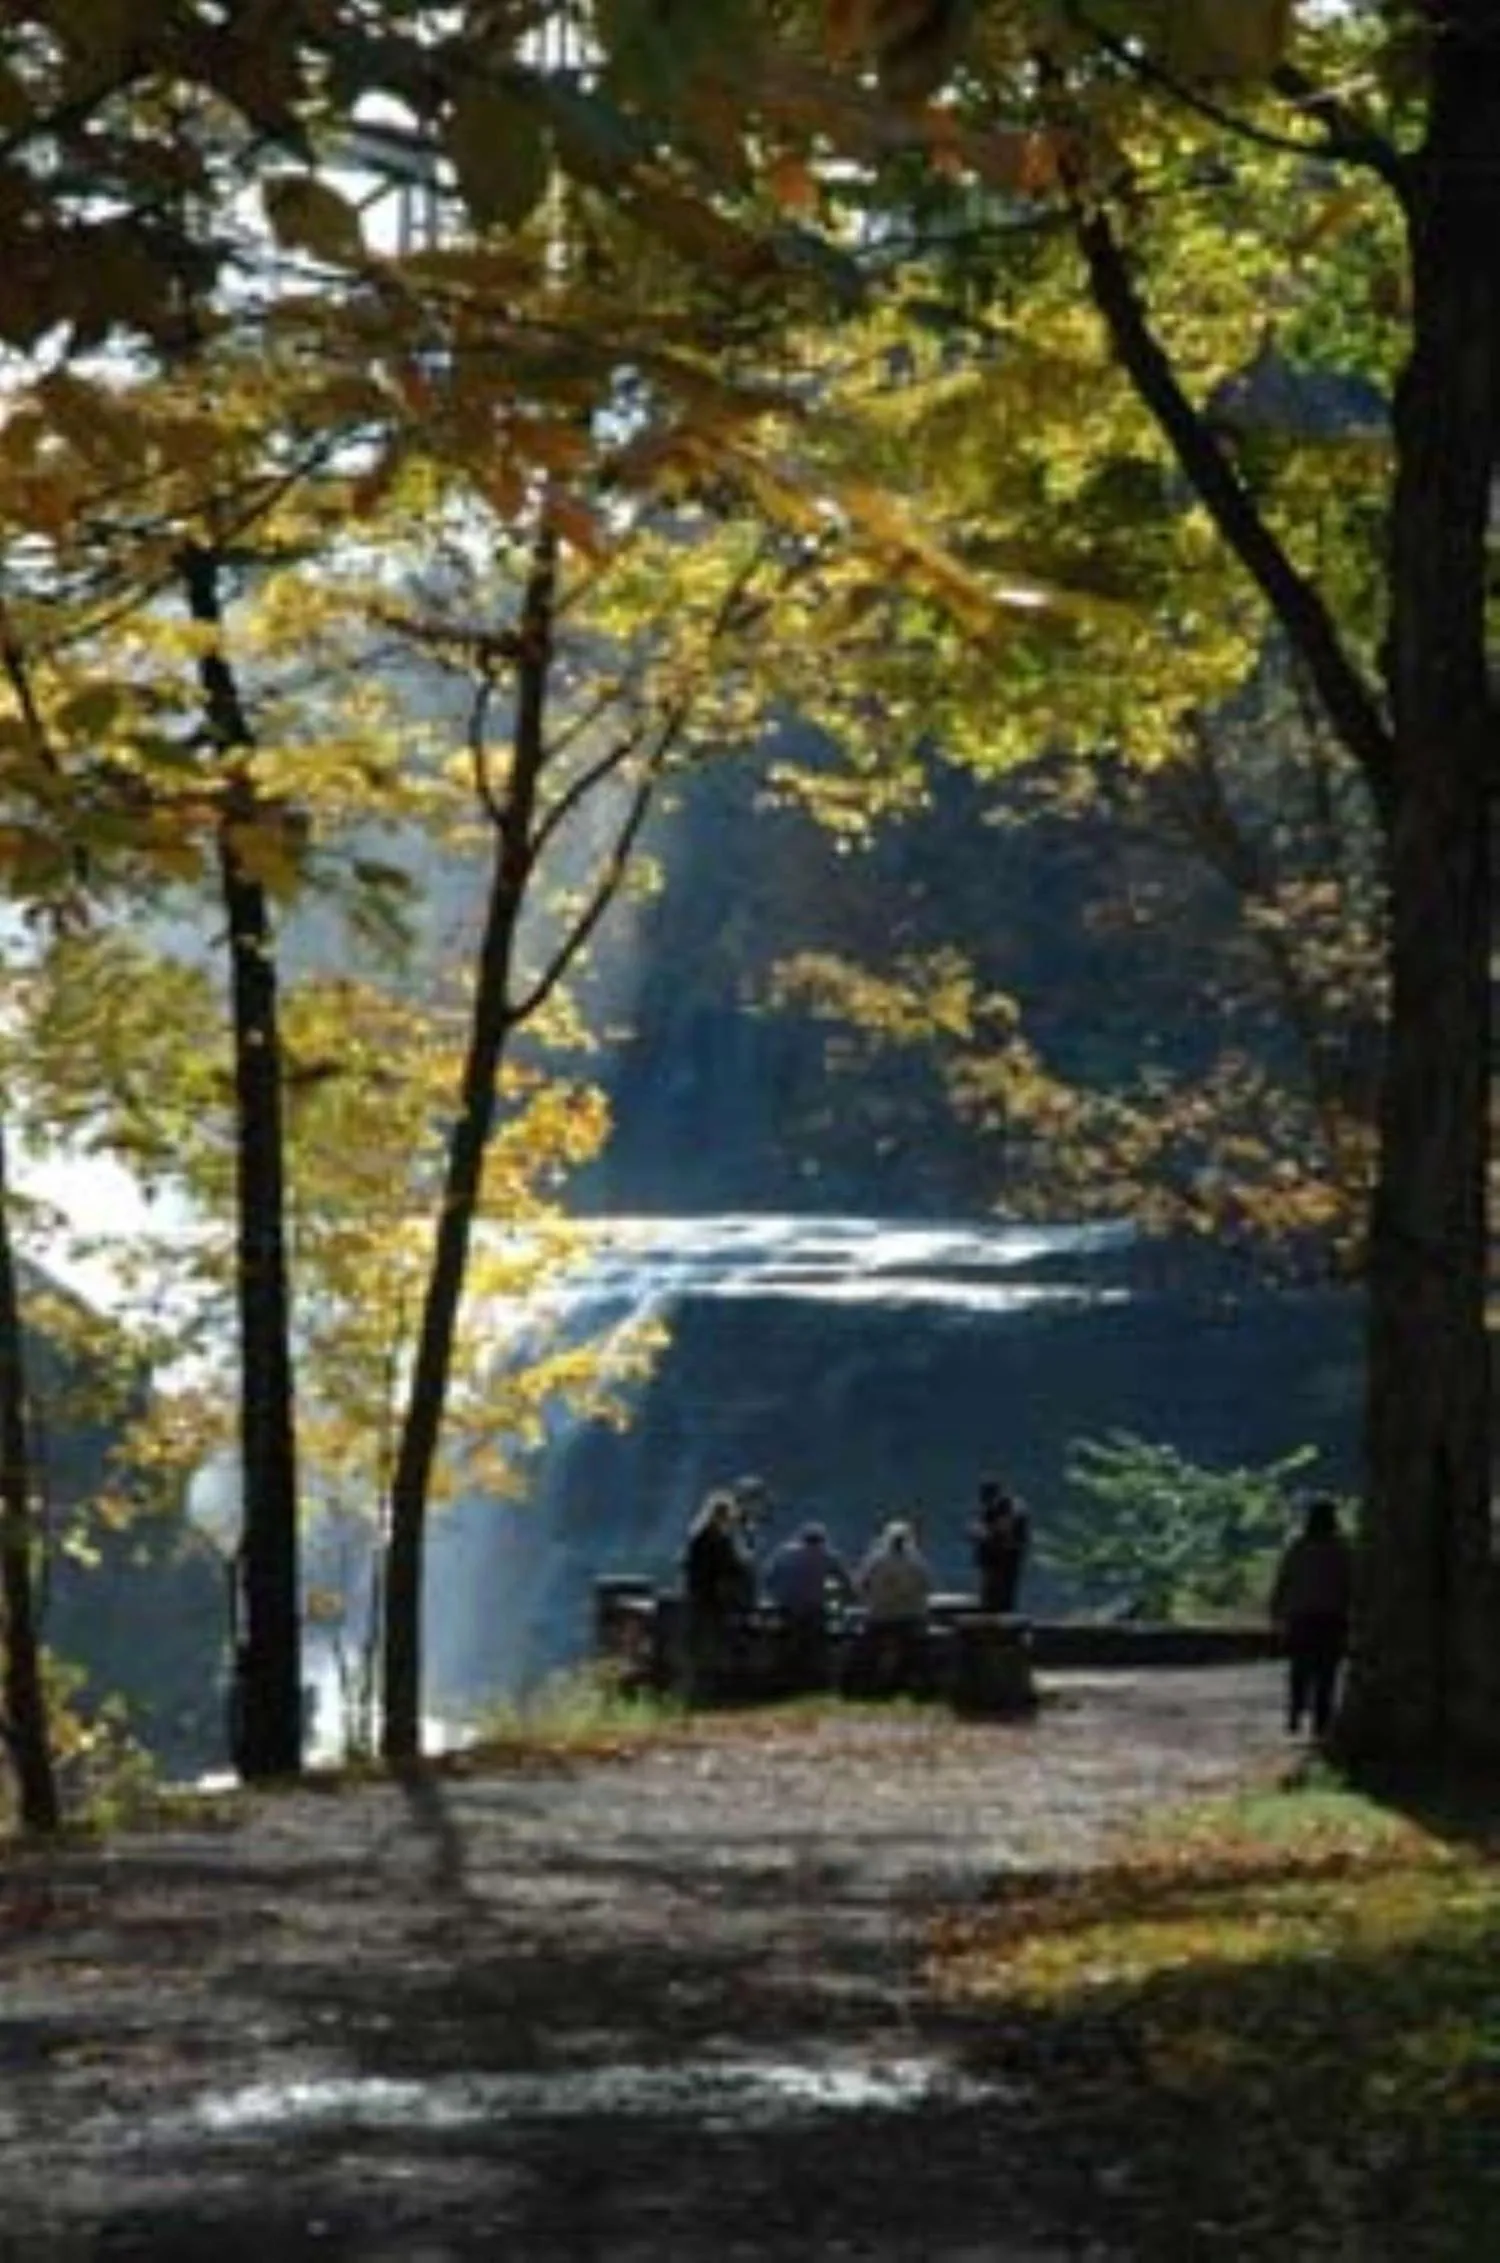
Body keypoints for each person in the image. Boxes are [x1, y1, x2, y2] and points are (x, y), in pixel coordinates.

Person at [1269, 1495, 1353, 1738]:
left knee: (1300, 1669)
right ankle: (1321, 1722)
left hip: (1301, 1616)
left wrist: (1276, 1610)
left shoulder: (1298, 1547)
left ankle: (1295, 1714)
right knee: (1327, 1673)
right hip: (1332, 1617)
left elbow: (1283, 1580)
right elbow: (1352, 1583)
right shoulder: (1343, 1550)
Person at [763, 1521, 852, 1687]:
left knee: (787, 1638)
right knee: (818, 1636)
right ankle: (816, 1676)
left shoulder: (783, 1552)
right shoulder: (827, 1555)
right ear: (822, 1541)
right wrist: (842, 1599)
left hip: (786, 1608)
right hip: (813, 1610)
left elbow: (768, 1578)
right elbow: (846, 1581)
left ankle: (784, 1674)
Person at [855, 1518, 933, 1696]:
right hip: (911, 1616)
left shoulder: (875, 1560)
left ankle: (869, 1681)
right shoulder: (917, 1561)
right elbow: (928, 1586)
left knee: (867, 1645)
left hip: (880, 1616)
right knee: (916, 1646)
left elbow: (859, 1584)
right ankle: (914, 1681)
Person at [971, 1480, 1030, 1614]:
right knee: (988, 1599)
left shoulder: (1012, 1508)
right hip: (992, 1561)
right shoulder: (992, 1509)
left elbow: (1005, 1530)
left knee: (1002, 1600)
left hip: (1005, 1562)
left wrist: (985, 1533)